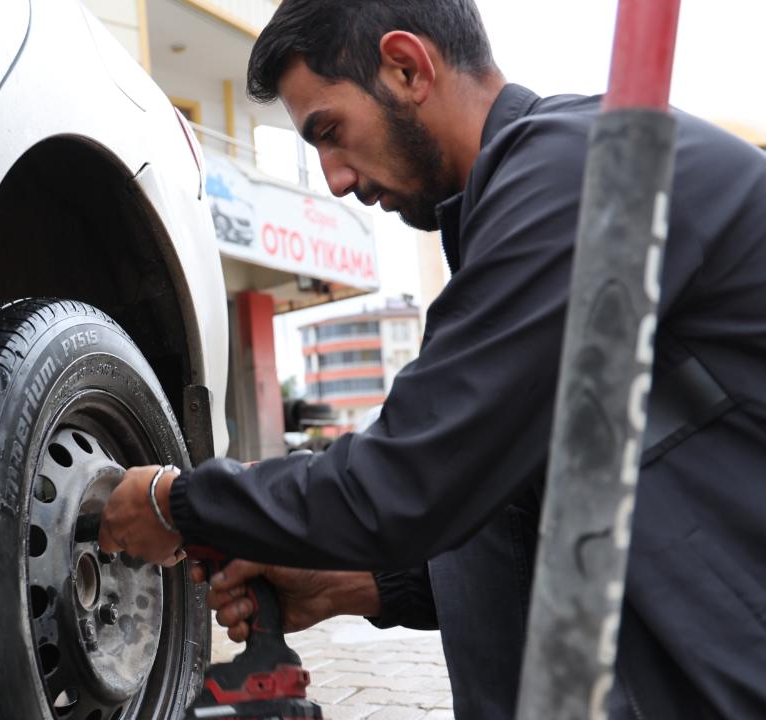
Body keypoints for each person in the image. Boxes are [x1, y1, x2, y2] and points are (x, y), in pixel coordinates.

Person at [97, 1, 766, 717]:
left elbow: (411, 478)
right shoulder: (538, 192)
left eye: (330, 132)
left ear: (407, 67)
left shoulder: (582, 178)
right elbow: (503, 488)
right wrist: (365, 585)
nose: (334, 180)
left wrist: (178, 502)